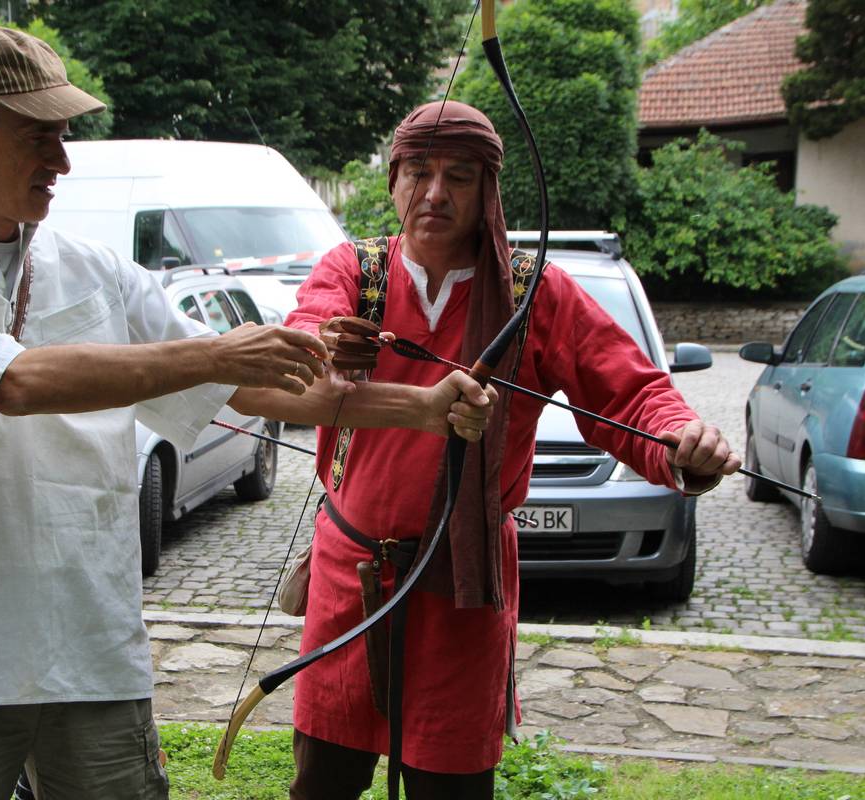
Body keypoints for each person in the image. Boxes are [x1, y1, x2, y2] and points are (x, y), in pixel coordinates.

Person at [0, 27, 497, 800]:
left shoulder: (90, 268)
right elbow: (13, 383)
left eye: (64, 135)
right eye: (39, 135)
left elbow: (253, 386)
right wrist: (216, 356)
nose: (61, 161)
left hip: (92, 655)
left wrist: (424, 407)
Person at [283, 100, 742, 799]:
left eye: (460, 177)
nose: (435, 193)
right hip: (351, 574)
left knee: (452, 788)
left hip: (461, 586)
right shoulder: (355, 271)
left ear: (488, 192)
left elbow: (628, 390)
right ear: (394, 181)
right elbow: (306, 336)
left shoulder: (534, 293)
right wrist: (324, 343)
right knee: (323, 781)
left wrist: (681, 440)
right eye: (419, 172)